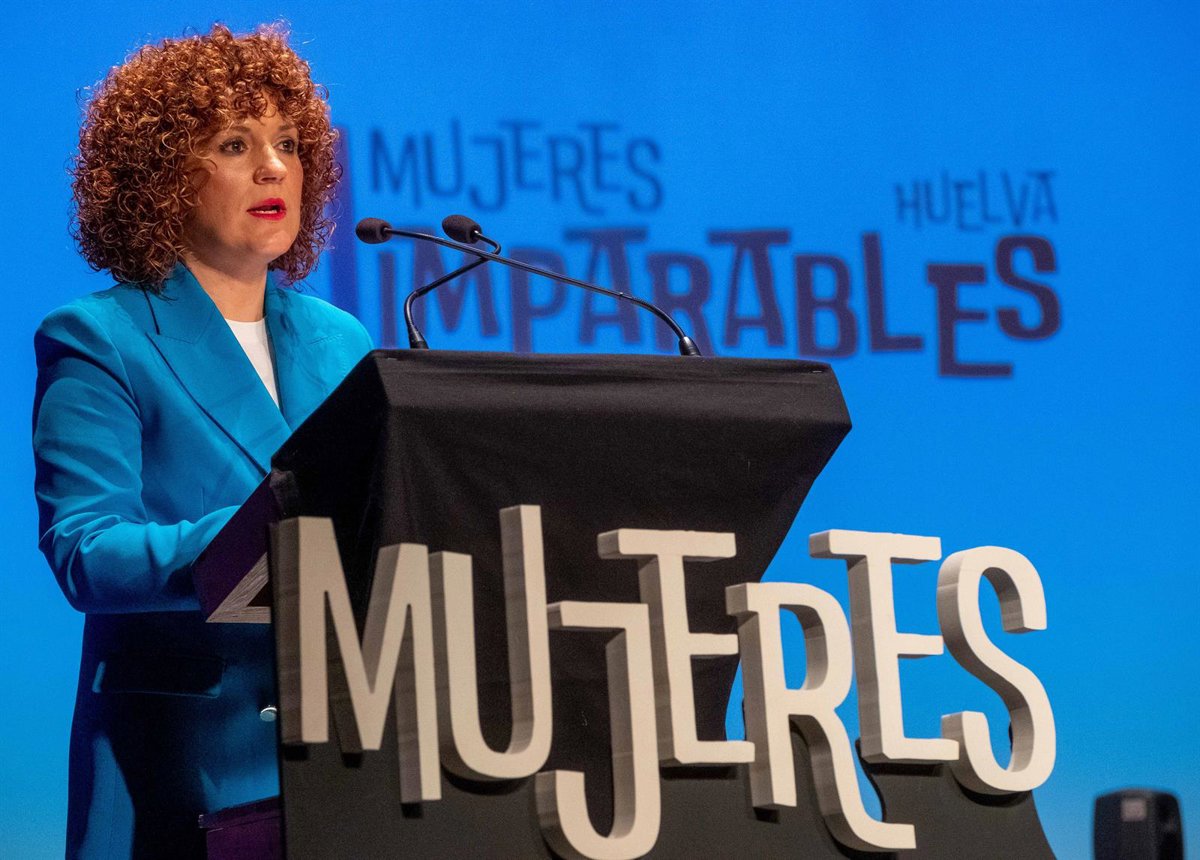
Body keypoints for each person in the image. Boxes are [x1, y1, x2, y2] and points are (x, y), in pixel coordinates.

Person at [32, 24, 372, 858]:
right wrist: (258, 538)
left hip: (345, 751)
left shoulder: (343, 342)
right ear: (160, 177)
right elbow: (86, 549)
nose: (274, 168)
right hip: (185, 764)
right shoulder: (100, 336)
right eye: (234, 144)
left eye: (288, 144)